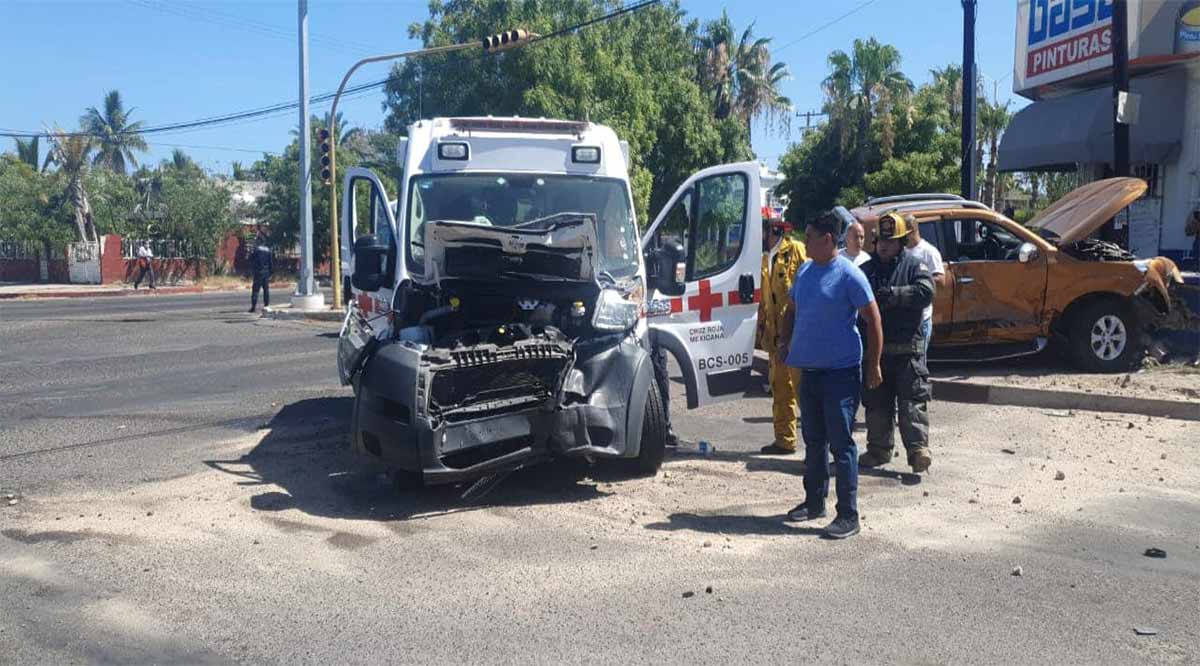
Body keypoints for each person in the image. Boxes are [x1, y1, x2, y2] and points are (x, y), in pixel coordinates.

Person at [777, 211, 883, 539]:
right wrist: (784, 341)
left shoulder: (849, 275)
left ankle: (849, 514)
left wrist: (874, 364)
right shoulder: (807, 271)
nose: (803, 242)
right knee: (814, 440)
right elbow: (791, 310)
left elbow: (873, 319)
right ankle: (814, 501)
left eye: (809, 236)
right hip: (811, 372)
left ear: (826, 240)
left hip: (841, 373)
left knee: (841, 443)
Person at [858, 212, 935, 474]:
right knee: (877, 406)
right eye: (880, 241)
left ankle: (918, 451)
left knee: (912, 404)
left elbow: (927, 292)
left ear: (901, 243)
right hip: (876, 355)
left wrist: (895, 296)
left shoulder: (914, 266)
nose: (883, 246)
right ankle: (878, 450)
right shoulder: (865, 270)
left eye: (890, 242)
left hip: (907, 355)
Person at [757, 217, 807, 455]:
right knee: (780, 388)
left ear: (773, 231)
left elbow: (807, 287)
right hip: (776, 337)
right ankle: (784, 440)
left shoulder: (795, 250)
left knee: (803, 390)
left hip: (797, 335)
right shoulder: (766, 259)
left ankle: (817, 443)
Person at [904, 220, 945, 356]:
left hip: (922, 320)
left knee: (918, 359)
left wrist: (918, 285)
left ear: (912, 231)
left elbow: (940, 280)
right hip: (903, 318)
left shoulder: (929, 252)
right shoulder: (900, 250)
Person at [249, 235, 273, 313]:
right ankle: (266, 306)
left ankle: (253, 307)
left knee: (255, 290)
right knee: (266, 290)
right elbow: (271, 263)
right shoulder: (268, 251)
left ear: (258, 242)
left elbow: (250, 260)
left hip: (258, 272)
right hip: (266, 272)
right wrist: (271, 273)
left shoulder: (256, 250)